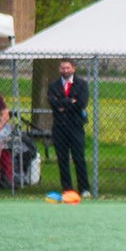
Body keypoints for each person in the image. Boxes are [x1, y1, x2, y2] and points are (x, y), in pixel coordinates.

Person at [46, 59, 90, 198]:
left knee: (79, 158)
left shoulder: (81, 84)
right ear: (59, 69)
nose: (65, 70)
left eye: (68, 68)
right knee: (62, 159)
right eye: (62, 68)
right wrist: (70, 101)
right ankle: (67, 188)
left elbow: (81, 103)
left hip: (76, 126)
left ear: (73, 68)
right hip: (59, 128)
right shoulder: (53, 85)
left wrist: (63, 104)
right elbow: (52, 102)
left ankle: (84, 189)